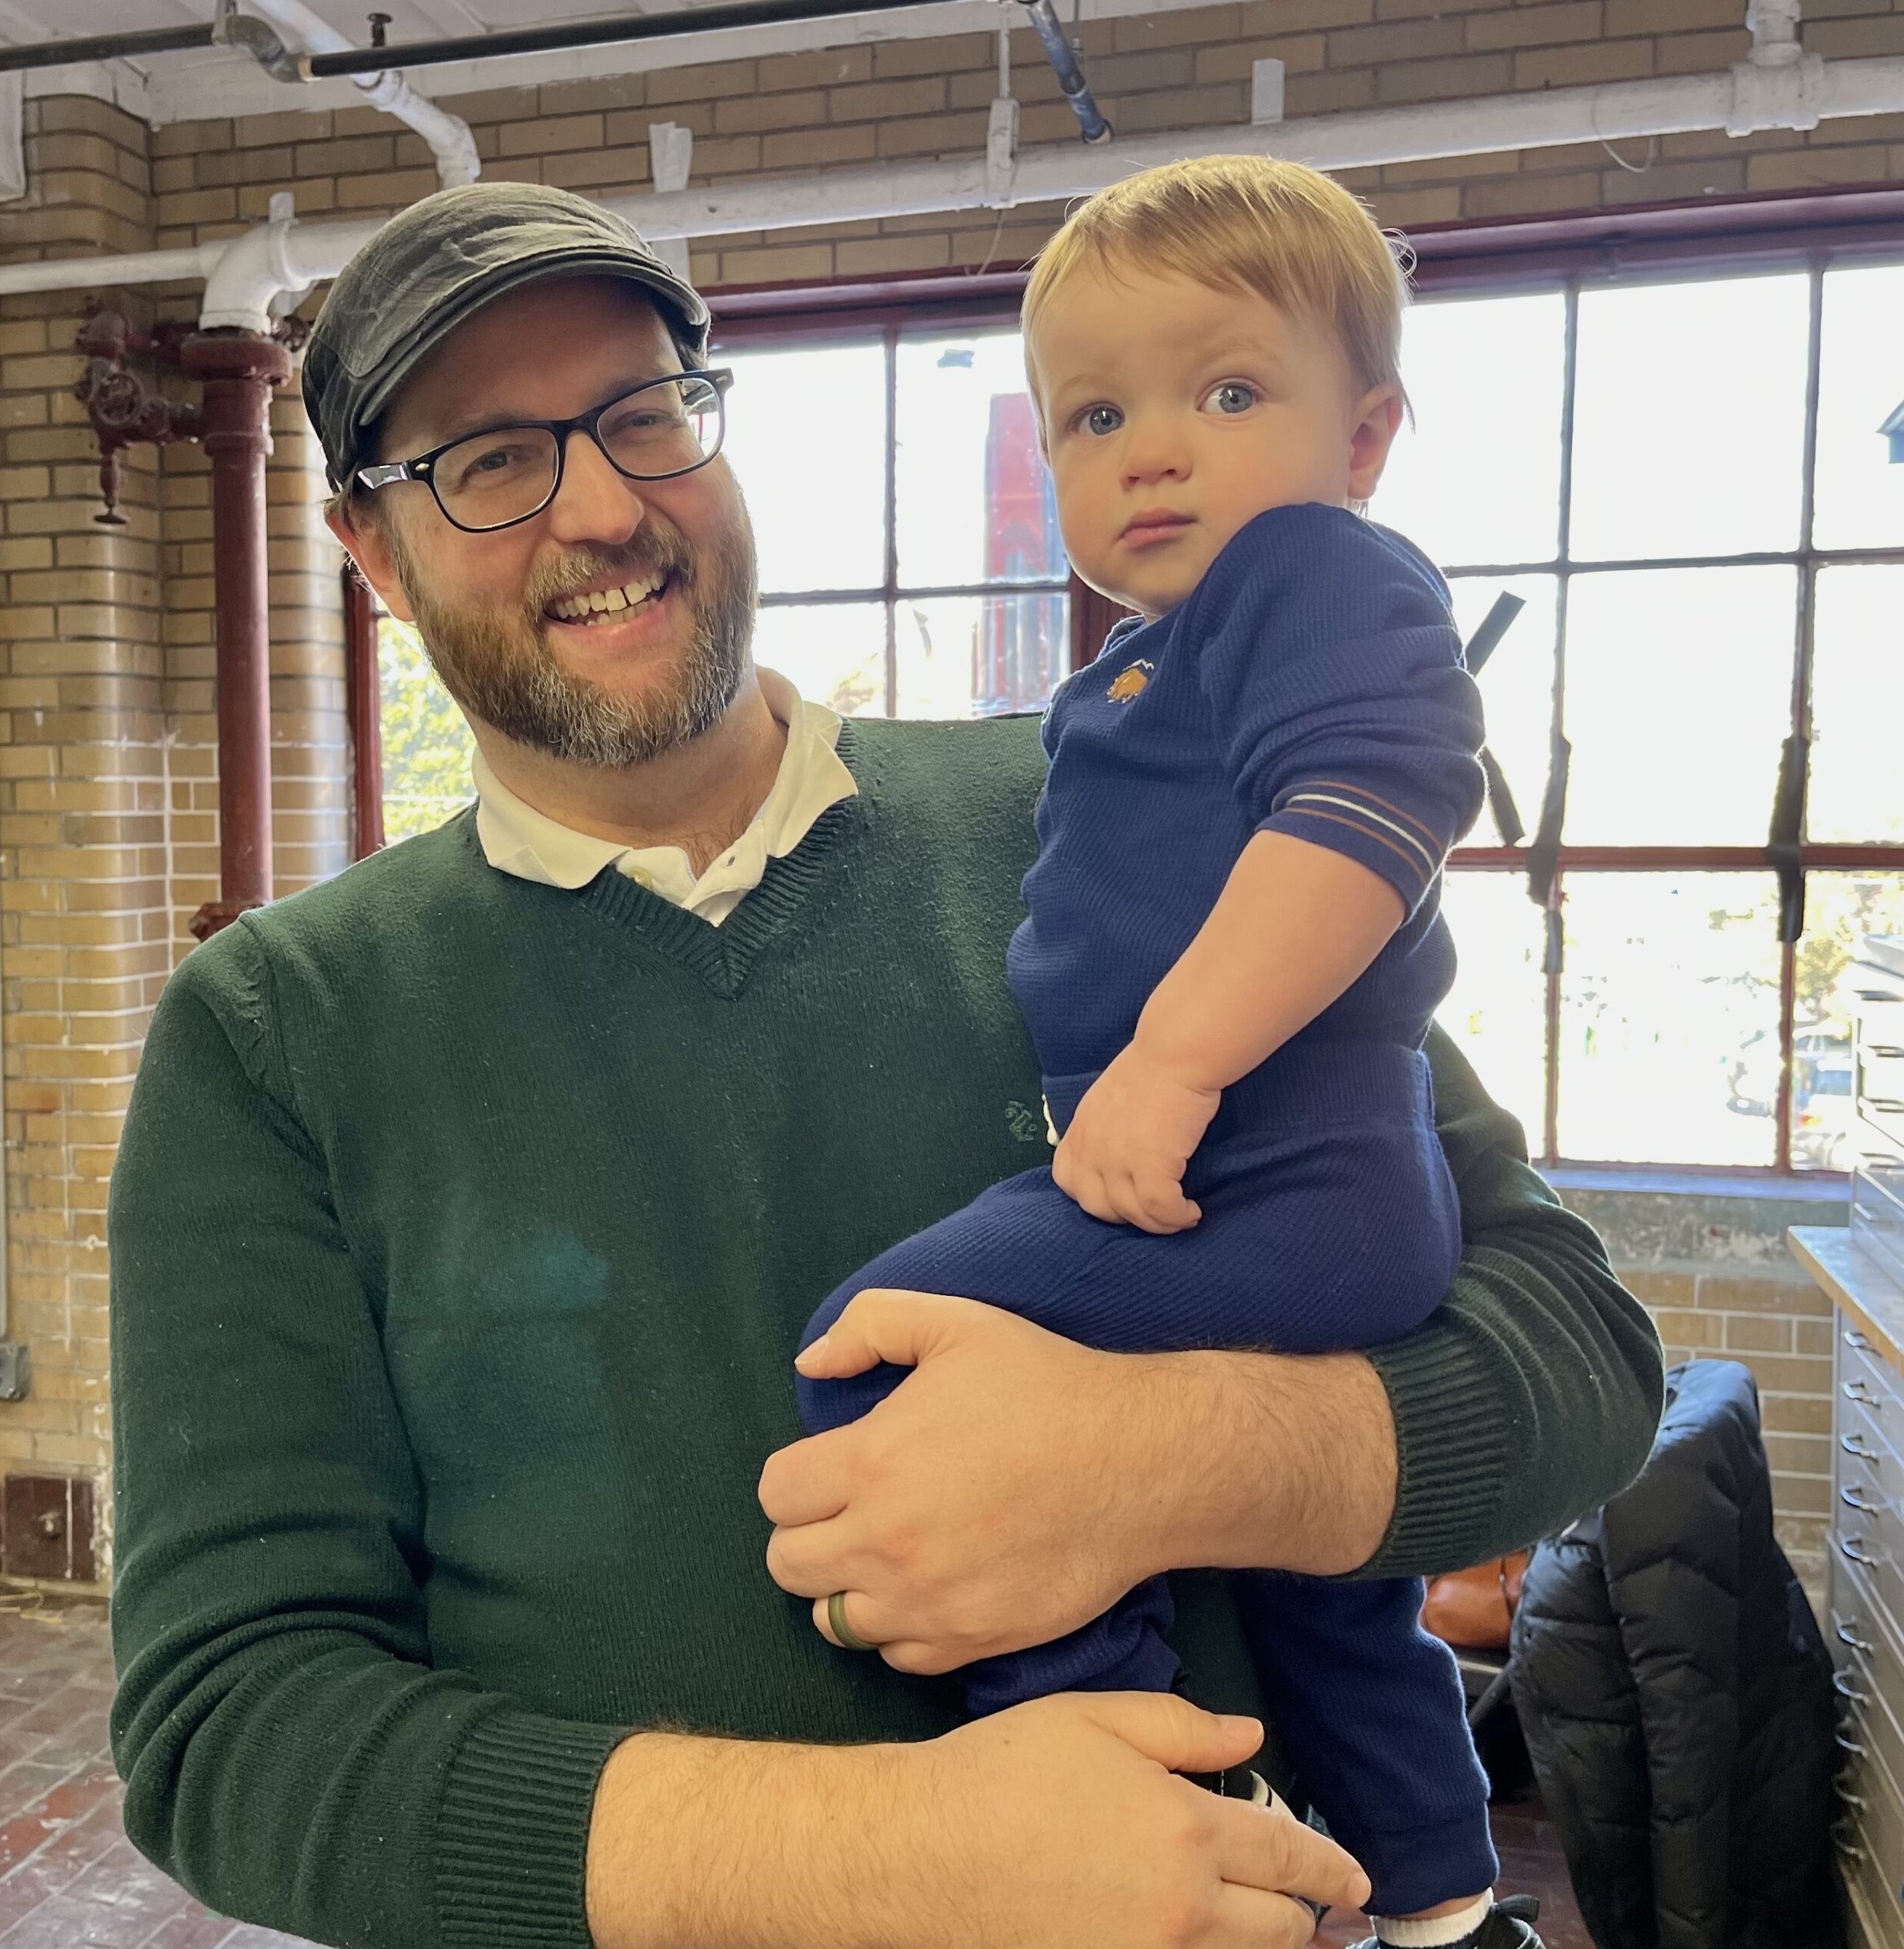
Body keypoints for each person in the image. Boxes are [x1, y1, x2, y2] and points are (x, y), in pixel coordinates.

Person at [106, 180, 1663, 1949]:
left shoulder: (1100, 821)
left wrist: (1178, 1458)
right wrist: (907, 1848)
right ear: (371, 556)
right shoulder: (276, 1033)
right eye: (484, 459)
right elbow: (227, 1728)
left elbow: (1579, 1350)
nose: (605, 504)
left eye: (640, 412)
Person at [796, 158, 1520, 1949]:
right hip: (1288, 1191)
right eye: (1093, 415)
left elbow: (1372, 807)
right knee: (1331, 1594)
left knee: (872, 1348)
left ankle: (1146, 1783)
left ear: (1361, 438)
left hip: (1265, 1171)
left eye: (1224, 390)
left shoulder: (1313, 570)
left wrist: (1172, 1063)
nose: (1151, 450)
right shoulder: (1140, 664)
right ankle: (1438, 1895)